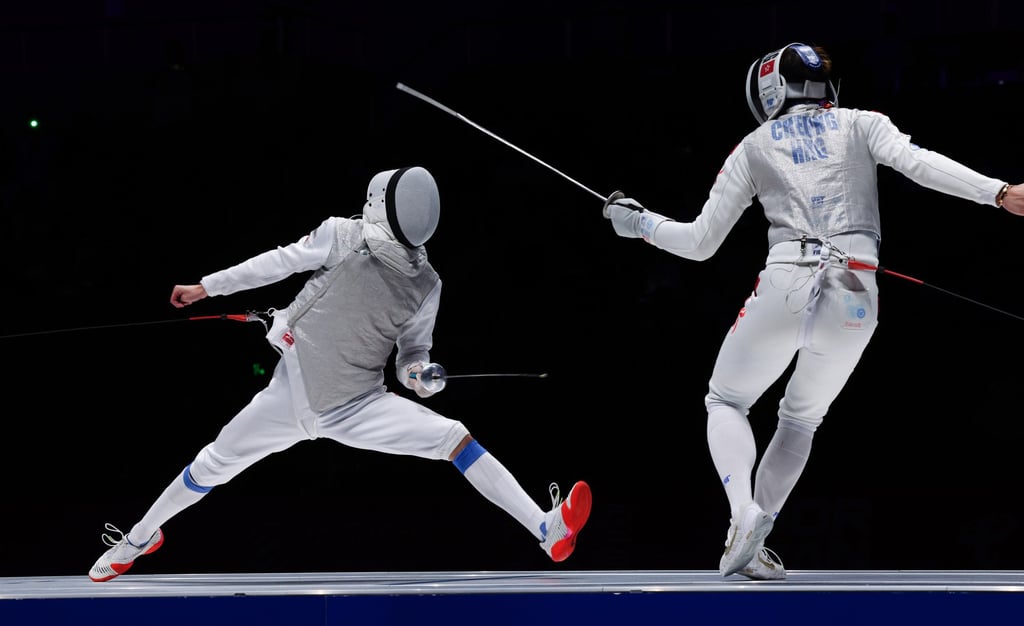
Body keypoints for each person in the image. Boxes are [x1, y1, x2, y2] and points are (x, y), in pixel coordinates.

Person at [604, 43, 1024, 580]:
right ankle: (754, 542)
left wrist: (637, 222)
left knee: (725, 398)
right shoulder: (863, 123)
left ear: (769, 90)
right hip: (857, 290)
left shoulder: (753, 145)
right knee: (801, 418)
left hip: (788, 281)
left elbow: (699, 242)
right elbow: (919, 164)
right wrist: (998, 192)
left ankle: (742, 516)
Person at [88, 165, 592, 582]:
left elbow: (412, 356)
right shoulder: (346, 237)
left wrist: (422, 377)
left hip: (359, 404)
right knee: (211, 464)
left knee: (454, 437)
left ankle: (546, 530)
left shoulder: (425, 281)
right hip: (292, 396)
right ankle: (139, 538)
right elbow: (279, 263)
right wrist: (209, 286)